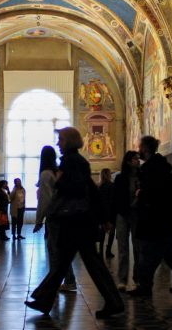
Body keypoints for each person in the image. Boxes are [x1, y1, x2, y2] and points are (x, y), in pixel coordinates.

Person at [26, 127, 124, 318]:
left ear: (69, 141)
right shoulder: (76, 161)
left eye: (60, 140)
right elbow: (91, 190)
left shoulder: (72, 162)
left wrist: (60, 183)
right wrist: (103, 218)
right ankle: (44, 300)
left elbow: (80, 189)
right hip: (78, 221)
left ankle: (114, 302)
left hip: (75, 221)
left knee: (84, 264)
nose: (58, 144)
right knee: (65, 263)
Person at [129, 135, 172, 298]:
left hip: (154, 217)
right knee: (167, 251)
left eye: (140, 146)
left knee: (149, 253)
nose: (139, 150)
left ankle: (145, 285)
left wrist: (141, 193)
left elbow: (156, 192)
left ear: (146, 148)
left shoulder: (153, 167)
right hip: (161, 217)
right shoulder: (159, 165)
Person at [34, 146, 77, 292]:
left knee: (54, 250)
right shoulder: (56, 172)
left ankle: (58, 281)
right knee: (61, 249)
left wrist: (39, 220)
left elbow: (45, 200)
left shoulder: (45, 174)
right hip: (63, 214)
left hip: (54, 217)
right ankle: (67, 280)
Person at [111, 151, 141, 290]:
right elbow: (115, 198)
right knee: (123, 248)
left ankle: (138, 278)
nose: (138, 161)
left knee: (138, 248)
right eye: (135, 159)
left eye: (138, 158)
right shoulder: (120, 178)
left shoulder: (142, 177)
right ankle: (122, 279)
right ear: (128, 161)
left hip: (136, 214)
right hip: (123, 214)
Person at [97, 168, 116, 259]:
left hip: (101, 212)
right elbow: (112, 200)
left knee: (102, 233)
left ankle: (100, 252)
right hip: (110, 211)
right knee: (111, 232)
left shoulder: (99, 186)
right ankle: (108, 250)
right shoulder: (112, 186)